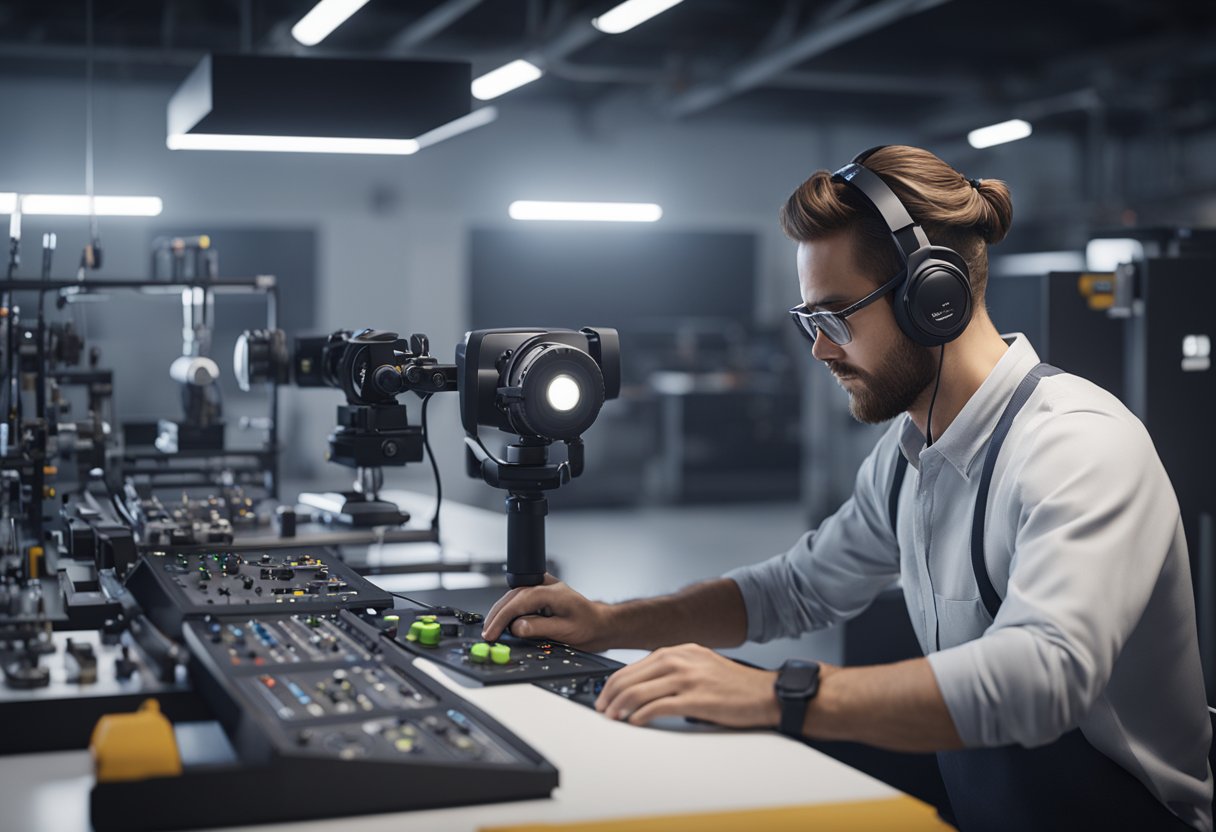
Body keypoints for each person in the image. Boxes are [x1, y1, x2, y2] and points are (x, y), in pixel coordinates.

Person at [481, 145, 1213, 831]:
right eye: (809, 319)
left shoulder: (1075, 443)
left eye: (834, 317)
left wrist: (777, 693)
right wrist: (611, 623)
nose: (820, 349)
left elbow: (1040, 678)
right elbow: (794, 588)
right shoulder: (908, 454)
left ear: (934, 300)